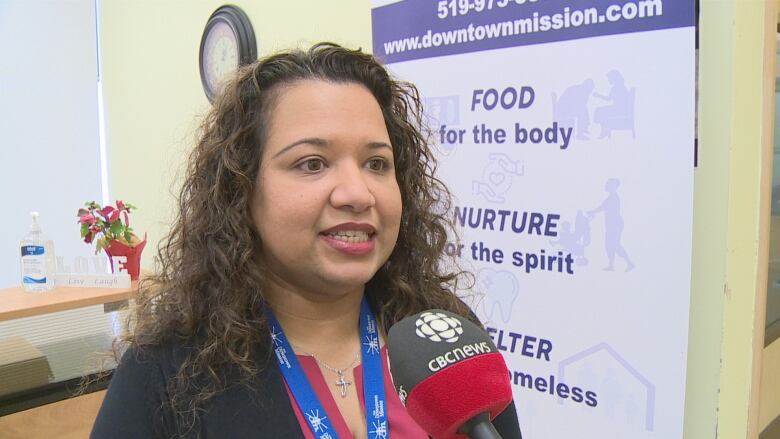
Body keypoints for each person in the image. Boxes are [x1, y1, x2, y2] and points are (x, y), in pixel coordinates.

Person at [90, 43, 522, 439]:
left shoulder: (444, 333)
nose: (357, 193)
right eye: (312, 164)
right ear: (242, 190)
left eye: (376, 163)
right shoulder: (166, 375)